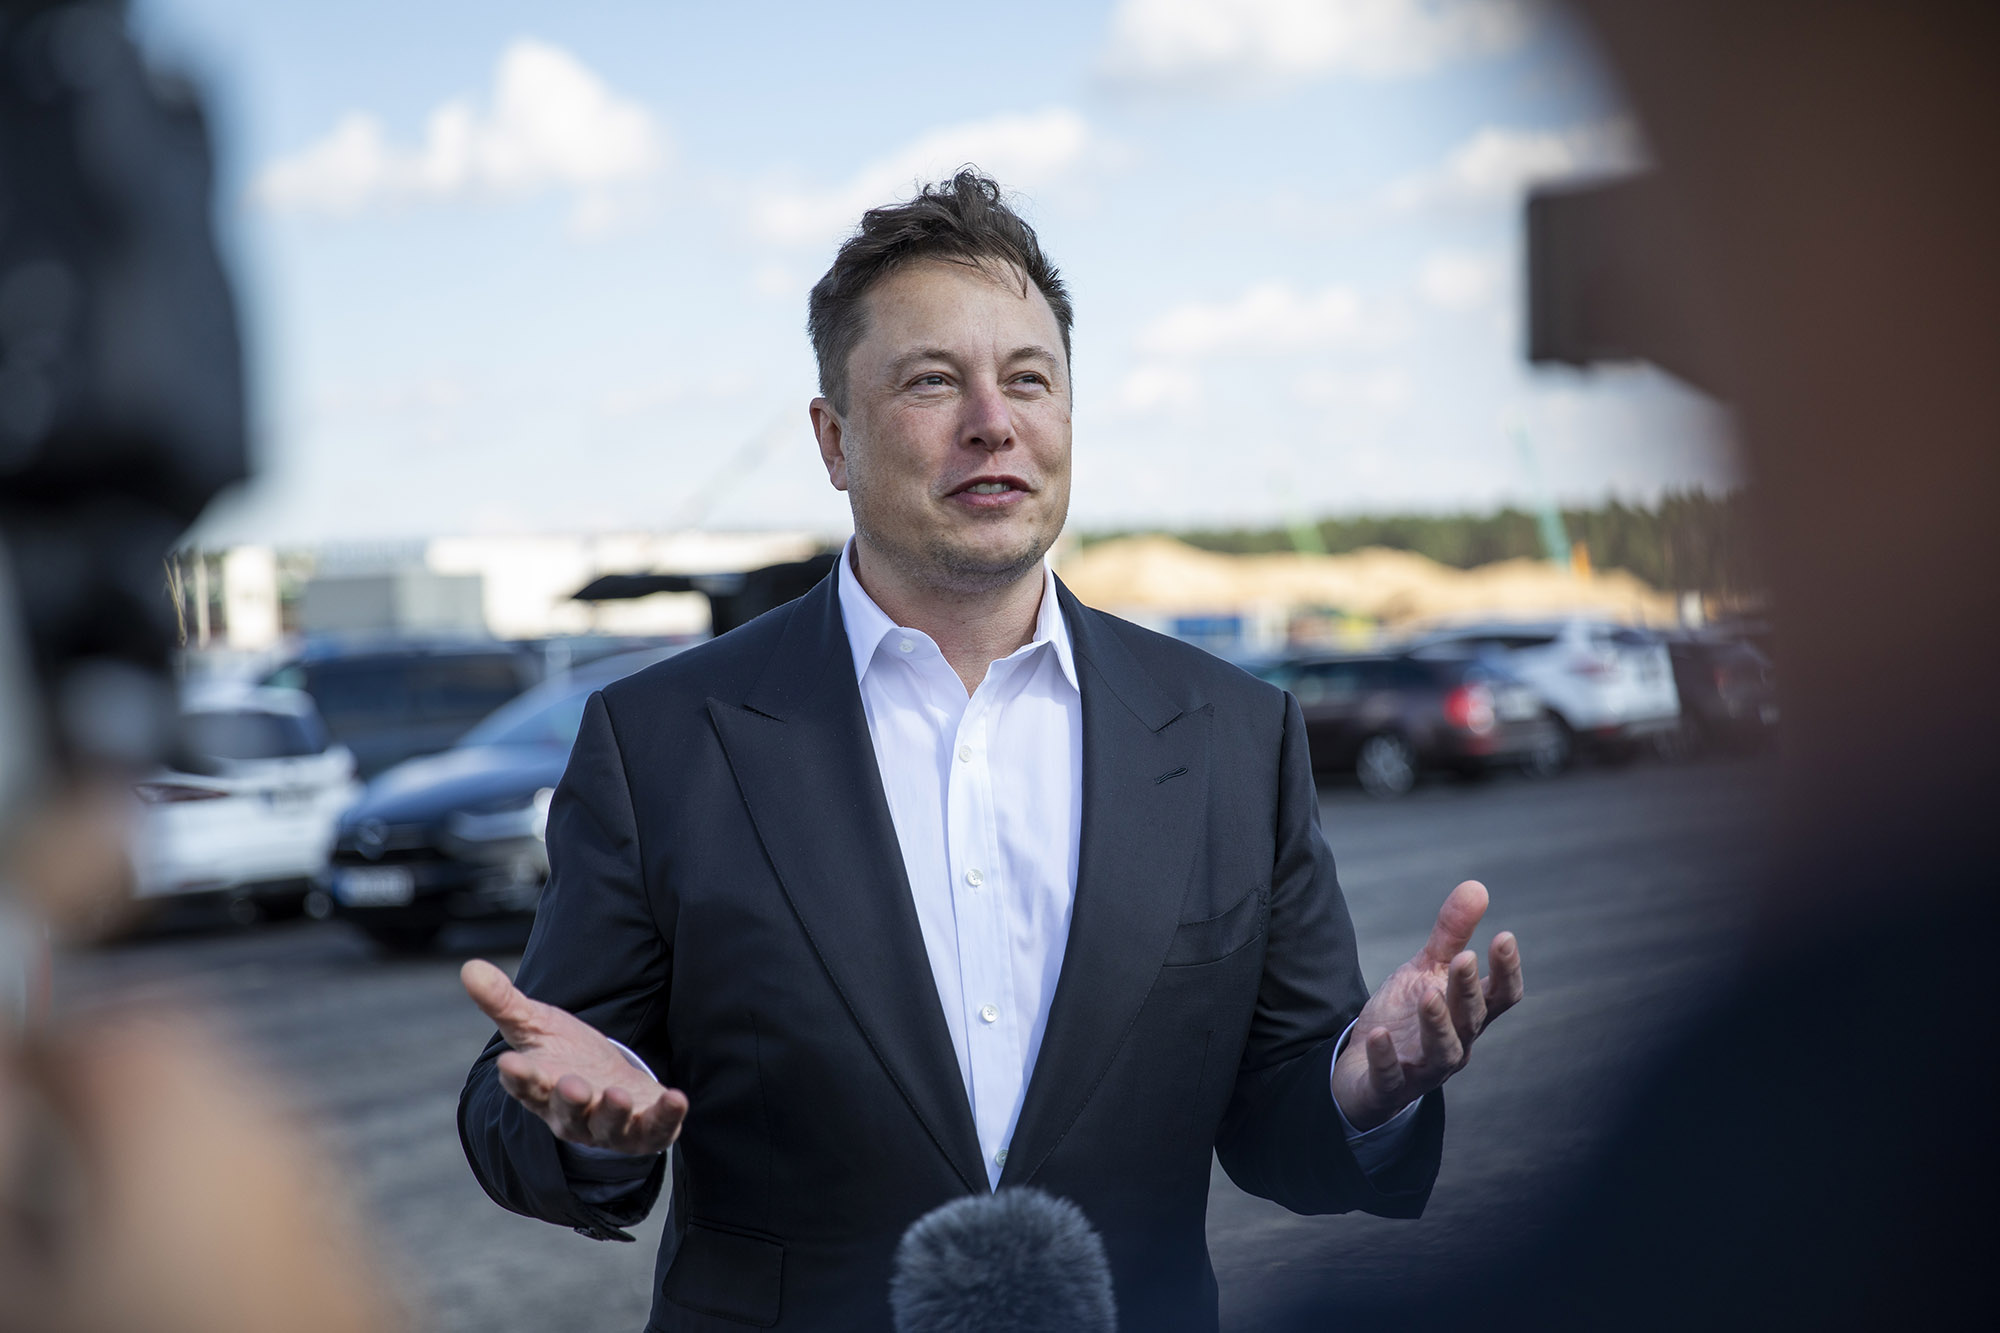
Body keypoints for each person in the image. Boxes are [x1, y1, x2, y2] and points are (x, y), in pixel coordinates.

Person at [457, 171, 1523, 1332]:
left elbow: (1283, 1122)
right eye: (930, 381)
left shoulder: (1231, 734)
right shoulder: (660, 739)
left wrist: (1366, 1082)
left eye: (1029, 378)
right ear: (832, 438)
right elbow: (540, 1089)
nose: (991, 420)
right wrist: (574, 1126)